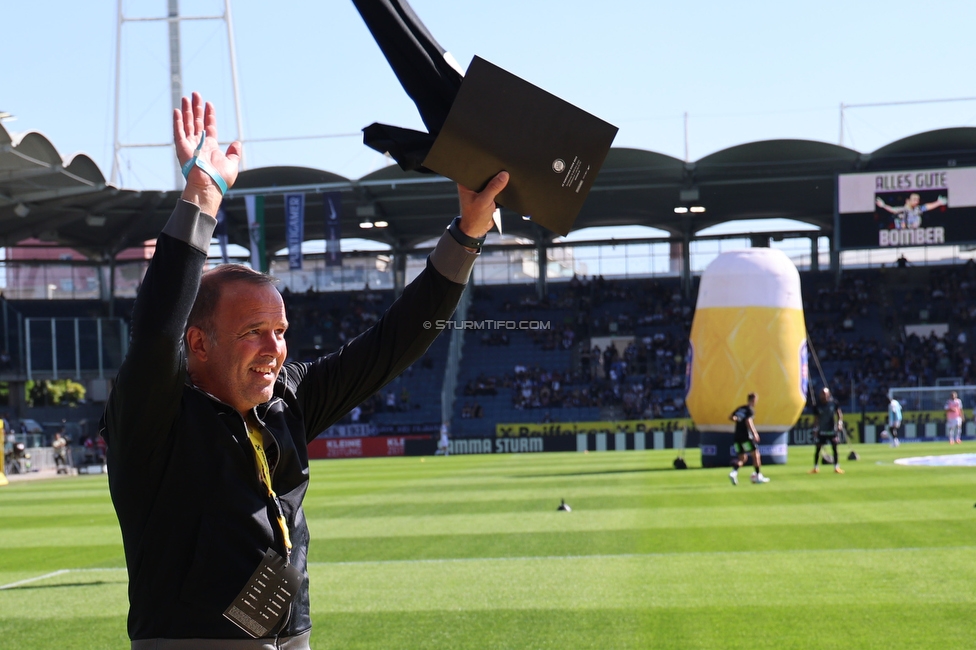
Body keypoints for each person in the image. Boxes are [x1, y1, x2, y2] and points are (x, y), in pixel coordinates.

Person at [100, 92, 509, 647]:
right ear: (197, 343)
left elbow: (394, 343)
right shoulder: (156, 415)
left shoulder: (288, 401)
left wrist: (467, 232)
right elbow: (153, 332)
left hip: (290, 637)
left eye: (281, 332)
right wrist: (202, 195)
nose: (275, 349)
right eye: (252, 333)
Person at [728, 393, 768, 485]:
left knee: (742, 458)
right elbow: (748, 421)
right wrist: (755, 433)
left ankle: (733, 473)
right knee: (756, 455)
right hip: (746, 436)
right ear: (753, 400)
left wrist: (736, 419)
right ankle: (758, 476)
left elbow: (731, 416)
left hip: (737, 436)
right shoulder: (750, 410)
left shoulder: (740, 408)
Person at [811, 387, 844, 473]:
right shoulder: (817, 405)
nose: (824, 396)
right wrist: (815, 429)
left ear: (828, 394)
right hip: (821, 430)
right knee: (818, 448)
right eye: (822, 394)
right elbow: (816, 418)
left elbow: (839, 414)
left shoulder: (833, 403)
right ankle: (815, 467)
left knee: (835, 448)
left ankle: (836, 467)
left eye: (825, 394)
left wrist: (840, 423)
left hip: (832, 430)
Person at [875, 193, 946, 230]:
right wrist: (883, 205)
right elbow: (893, 210)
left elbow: (927, 207)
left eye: (918, 200)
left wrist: (938, 203)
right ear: (908, 200)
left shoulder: (917, 209)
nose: (917, 201)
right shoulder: (902, 210)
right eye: (914, 199)